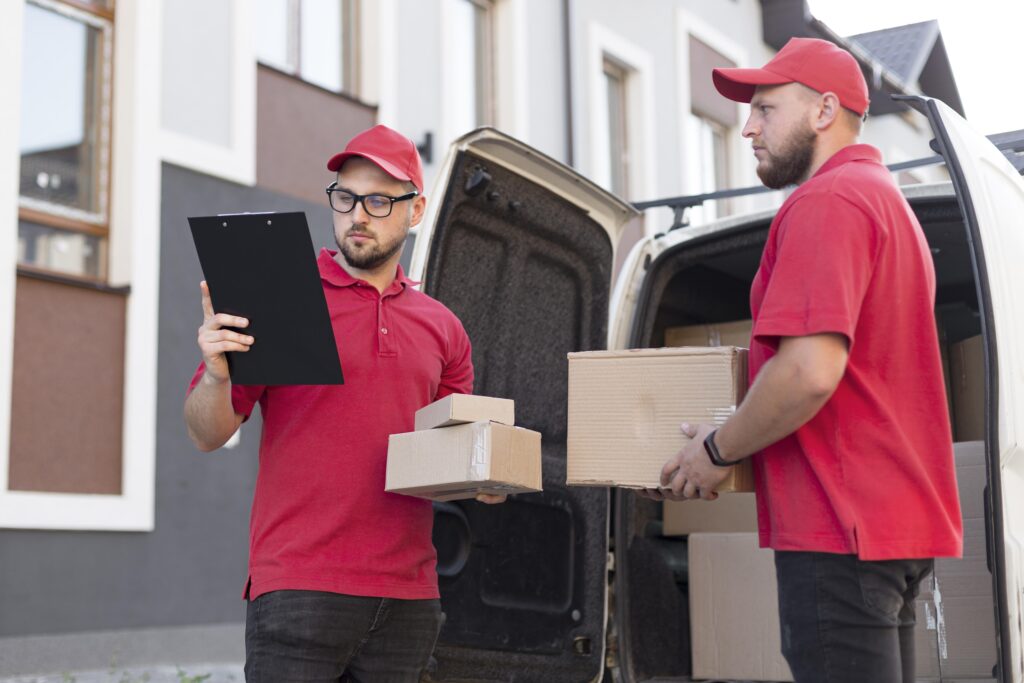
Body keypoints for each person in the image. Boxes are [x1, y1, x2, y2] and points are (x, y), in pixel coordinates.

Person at [641, 38, 963, 682]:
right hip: (885, 527)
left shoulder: (828, 201)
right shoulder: (883, 201)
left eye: (765, 109)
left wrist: (715, 452)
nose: (749, 129)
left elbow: (808, 371)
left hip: (838, 527)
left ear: (823, 111)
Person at [184, 124, 504, 682]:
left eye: (380, 200)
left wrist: (489, 476)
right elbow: (205, 433)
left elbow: (453, 456)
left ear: (416, 209)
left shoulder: (443, 328)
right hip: (299, 586)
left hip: (408, 596)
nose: (358, 214)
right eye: (346, 197)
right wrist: (215, 377)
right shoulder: (278, 296)